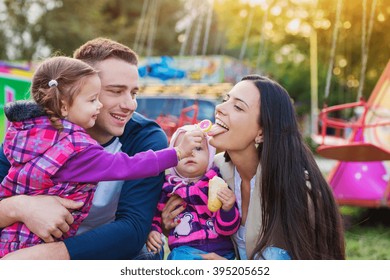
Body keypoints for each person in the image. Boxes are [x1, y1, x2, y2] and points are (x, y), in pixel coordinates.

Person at [0, 56, 203, 258]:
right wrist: (20, 207)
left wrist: (43, 256)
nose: (130, 105)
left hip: (36, 245)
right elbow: (129, 166)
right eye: (113, 92)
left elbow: (132, 230)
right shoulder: (75, 148)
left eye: (133, 93)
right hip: (32, 239)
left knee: (148, 251)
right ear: (64, 103)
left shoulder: (24, 131)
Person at [161, 75, 346, 260]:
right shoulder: (214, 172)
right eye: (226, 100)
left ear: (262, 132)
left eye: (238, 107)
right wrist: (170, 226)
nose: (219, 108)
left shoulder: (297, 190)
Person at [146, 125, 240, 260]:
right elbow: (155, 215)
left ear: (210, 155)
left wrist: (228, 209)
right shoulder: (168, 189)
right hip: (183, 251)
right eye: (183, 149)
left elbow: (229, 229)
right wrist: (154, 230)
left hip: (221, 251)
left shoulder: (217, 183)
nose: (190, 153)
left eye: (198, 148)